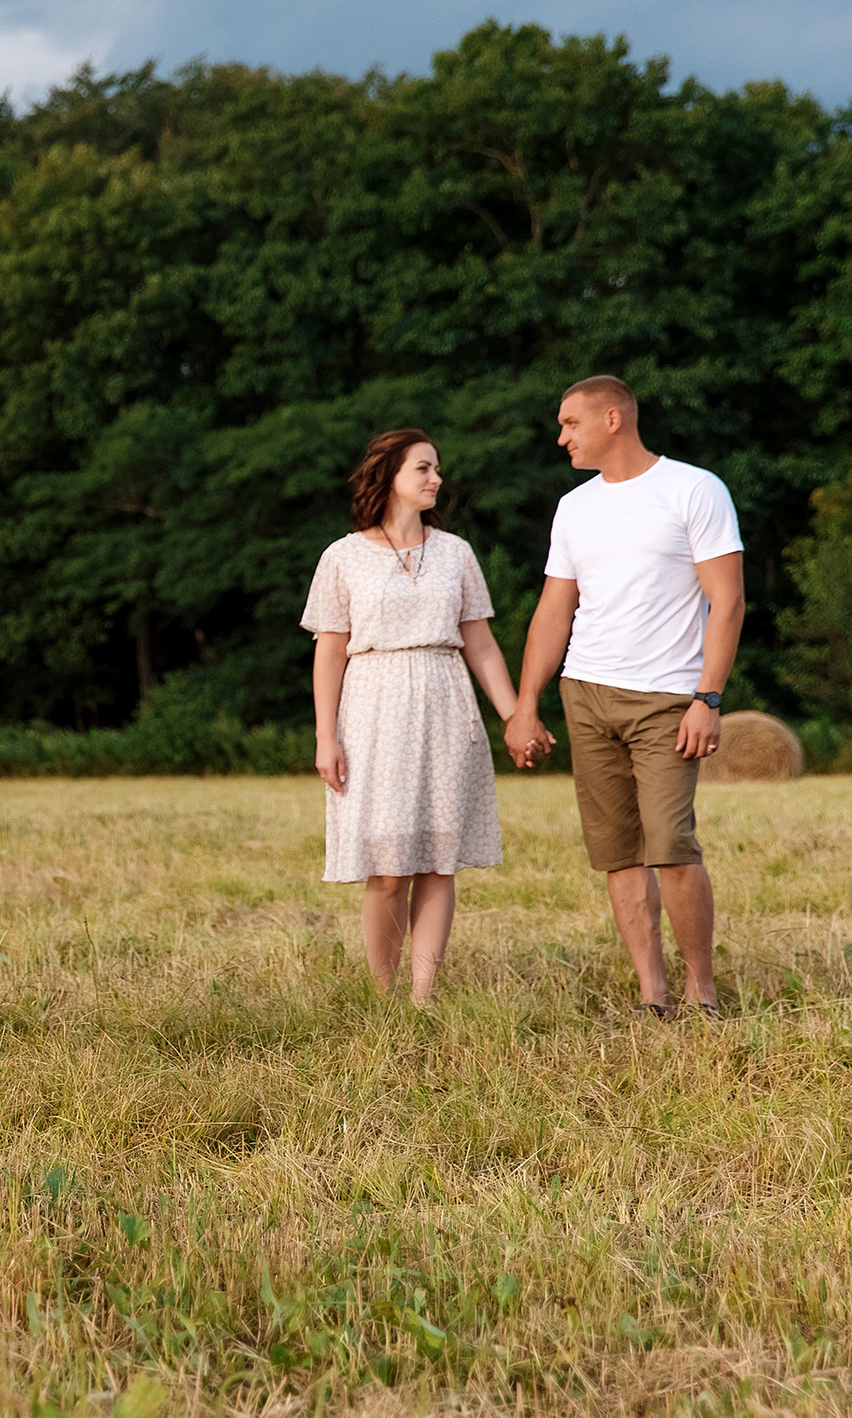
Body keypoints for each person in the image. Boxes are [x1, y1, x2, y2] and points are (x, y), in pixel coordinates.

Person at [504, 377, 745, 1020]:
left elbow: (728, 601)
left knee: (670, 845)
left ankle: (702, 992)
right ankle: (652, 996)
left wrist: (708, 697)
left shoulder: (694, 490)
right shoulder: (573, 508)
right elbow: (556, 608)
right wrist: (526, 704)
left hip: (668, 697)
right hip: (586, 693)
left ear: (613, 419)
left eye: (570, 424)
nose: (561, 438)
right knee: (618, 854)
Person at [302, 430, 522, 1006]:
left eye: (438, 469)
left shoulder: (456, 553)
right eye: (424, 468)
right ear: (389, 475)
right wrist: (326, 736)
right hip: (373, 708)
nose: (436, 479)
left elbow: (481, 644)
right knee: (388, 867)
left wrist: (514, 715)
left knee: (437, 860)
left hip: (446, 701)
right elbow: (329, 649)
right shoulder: (342, 556)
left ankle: (422, 996)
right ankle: (383, 994)